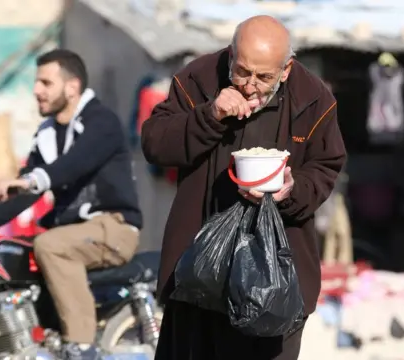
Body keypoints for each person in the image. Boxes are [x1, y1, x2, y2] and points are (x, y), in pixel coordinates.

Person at [142, 15, 347, 360]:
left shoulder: (313, 98)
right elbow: (155, 144)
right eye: (242, 72)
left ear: (286, 70)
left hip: (275, 282)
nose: (250, 85)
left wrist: (292, 190)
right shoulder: (198, 79)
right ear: (231, 54)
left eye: (264, 77)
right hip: (199, 275)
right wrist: (209, 115)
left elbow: (325, 167)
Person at [0, 49, 142, 360]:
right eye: (36, 83)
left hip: (114, 227)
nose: (36, 90)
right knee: (14, 251)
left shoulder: (101, 122)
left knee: (50, 244)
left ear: (71, 87)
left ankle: (82, 347)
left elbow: (73, 164)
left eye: (45, 82)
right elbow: (25, 193)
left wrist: (33, 180)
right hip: (72, 235)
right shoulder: (46, 135)